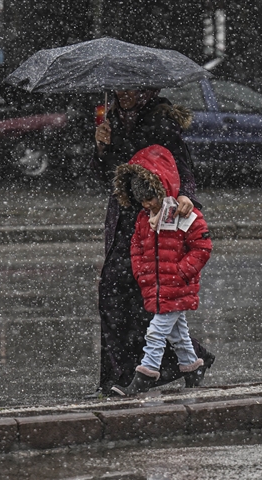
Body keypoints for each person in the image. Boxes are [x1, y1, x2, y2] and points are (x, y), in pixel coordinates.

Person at [91, 88, 214, 395]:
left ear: (145, 88)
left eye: (131, 88)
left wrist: (187, 195)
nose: (125, 94)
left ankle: (153, 369)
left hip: (153, 215)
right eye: (120, 88)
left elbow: (181, 164)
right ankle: (123, 375)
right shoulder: (111, 118)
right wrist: (101, 147)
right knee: (115, 295)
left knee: (148, 297)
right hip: (123, 219)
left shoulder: (160, 118)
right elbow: (103, 174)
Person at [110, 145, 212, 397]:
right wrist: (141, 270)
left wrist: (180, 271)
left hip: (176, 285)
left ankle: (146, 374)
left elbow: (202, 246)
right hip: (157, 285)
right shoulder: (145, 219)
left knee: (155, 333)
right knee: (178, 334)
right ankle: (192, 368)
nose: (146, 205)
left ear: (161, 190)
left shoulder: (185, 215)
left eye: (150, 198)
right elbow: (136, 246)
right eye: (142, 200)